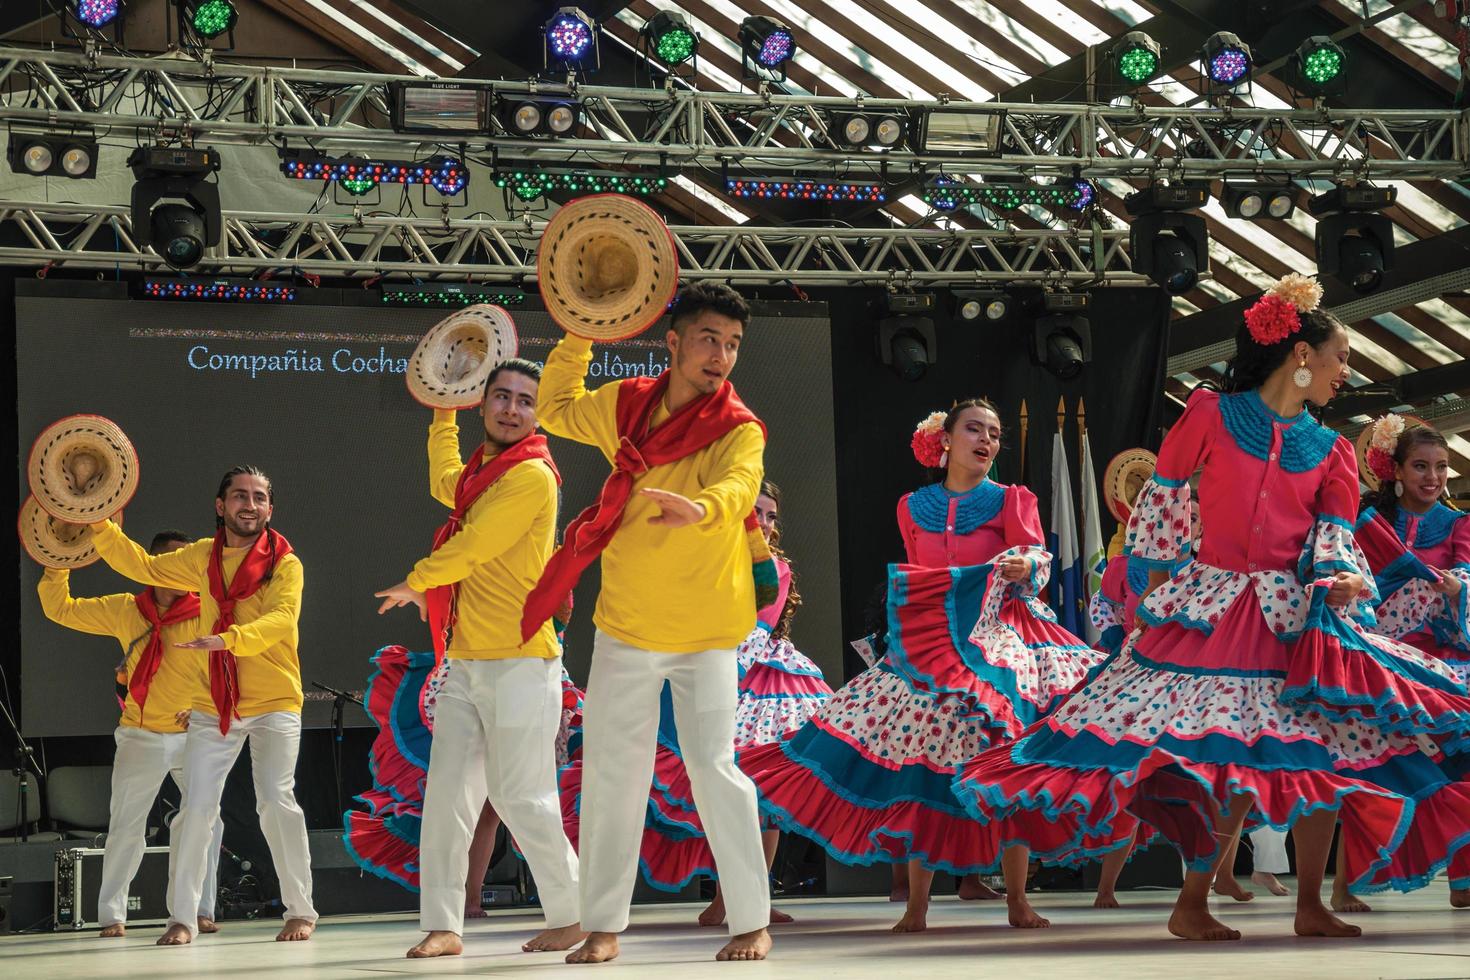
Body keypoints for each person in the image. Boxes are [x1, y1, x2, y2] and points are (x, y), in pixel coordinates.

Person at [952, 272, 1470, 941]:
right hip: (1211, 608)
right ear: (1302, 356)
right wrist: (1150, 599)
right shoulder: (1209, 414)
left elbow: (1333, 540)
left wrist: (1342, 580)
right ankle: (1192, 900)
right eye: (1341, 355)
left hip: (1294, 616)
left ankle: (1312, 900)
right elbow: (1160, 512)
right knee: (1207, 754)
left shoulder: (1335, 451)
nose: (1347, 369)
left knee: (1326, 752)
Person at [741, 400, 1111, 933]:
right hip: (930, 645)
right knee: (918, 762)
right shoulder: (912, 507)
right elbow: (916, 581)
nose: (986, 440)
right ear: (947, 441)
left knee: (1004, 756)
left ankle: (1016, 898)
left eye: (994, 434)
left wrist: (1024, 563)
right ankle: (916, 904)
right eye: (974, 429)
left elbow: (1041, 560)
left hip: (996, 638)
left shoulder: (1011, 499)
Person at [526, 281, 772, 963]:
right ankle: (603, 925)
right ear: (674, 342)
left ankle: (750, 919)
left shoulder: (739, 427)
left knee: (715, 768)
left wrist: (706, 510)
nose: (720, 355)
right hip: (627, 623)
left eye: (732, 344)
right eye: (707, 339)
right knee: (611, 774)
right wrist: (579, 329)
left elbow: (740, 484)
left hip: (707, 627)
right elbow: (556, 408)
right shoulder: (628, 404)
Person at [374, 358, 583, 958]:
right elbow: (446, 479)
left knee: (521, 796)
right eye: (501, 397)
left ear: (538, 413)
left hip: (522, 662)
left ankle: (573, 913)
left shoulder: (533, 477)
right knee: (445, 796)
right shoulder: (480, 474)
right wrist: (443, 410)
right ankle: (444, 925)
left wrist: (419, 580)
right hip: (466, 663)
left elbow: (476, 542)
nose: (512, 408)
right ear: (484, 403)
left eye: (524, 400)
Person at [90, 466, 316, 946]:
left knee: (276, 801)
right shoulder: (202, 556)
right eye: (240, 496)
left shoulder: (284, 563)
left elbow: (281, 619)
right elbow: (146, 568)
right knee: (195, 809)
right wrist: (98, 522)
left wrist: (230, 639)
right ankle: (184, 917)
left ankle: (301, 911)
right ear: (221, 506)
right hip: (216, 702)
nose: (249, 505)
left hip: (275, 699)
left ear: (269, 509)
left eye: (258, 497)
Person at [36, 530, 224, 938]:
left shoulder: (208, 611)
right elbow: (60, 609)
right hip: (141, 734)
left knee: (207, 819)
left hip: (194, 733)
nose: (182, 569)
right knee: (125, 823)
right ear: (153, 565)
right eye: (173, 561)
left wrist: (206, 709)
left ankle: (199, 909)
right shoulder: (127, 609)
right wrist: (56, 563)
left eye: (187, 562)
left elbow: (232, 665)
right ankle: (111, 915)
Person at [1356, 416, 1470, 909]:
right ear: (1396, 471)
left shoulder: (1459, 523)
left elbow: (1467, 574)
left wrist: (1458, 585)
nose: (1434, 477)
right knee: (1377, 767)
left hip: (1445, 658)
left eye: (1441, 467)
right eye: (1421, 466)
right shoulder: (1369, 524)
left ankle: (1464, 880)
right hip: (1382, 662)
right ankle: (1352, 876)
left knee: (1462, 760)